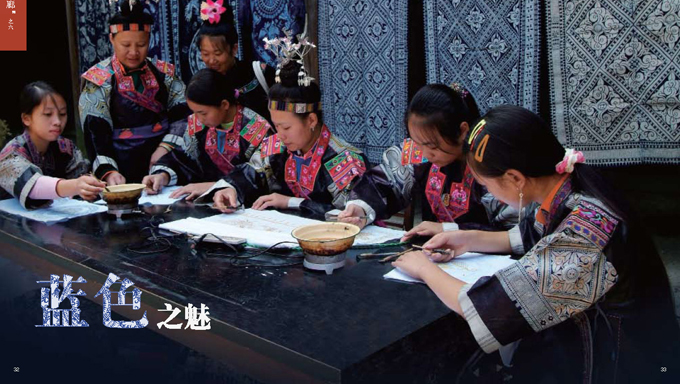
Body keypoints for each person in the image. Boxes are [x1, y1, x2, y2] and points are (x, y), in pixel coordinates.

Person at [392, 105, 679, 382]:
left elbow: (494, 308)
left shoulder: (583, 240)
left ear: (514, 178)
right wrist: (466, 239)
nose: (486, 191)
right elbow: (528, 236)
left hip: (623, 365)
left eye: (486, 184)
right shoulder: (569, 187)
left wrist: (424, 269)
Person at [205, 39, 369, 220]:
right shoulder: (277, 145)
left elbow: (350, 216)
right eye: (276, 126)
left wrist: (291, 202)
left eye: (286, 127)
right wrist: (231, 188)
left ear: (311, 120)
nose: (280, 135)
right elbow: (252, 173)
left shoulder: (344, 160)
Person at [339, 84, 517, 234]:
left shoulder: (491, 165)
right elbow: (383, 182)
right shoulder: (418, 154)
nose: (424, 154)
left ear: (462, 131)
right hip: (431, 254)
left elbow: (515, 232)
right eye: (417, 143)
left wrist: (448, 230)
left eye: (432, 146)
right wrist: (361, 208)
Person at [79, 0, 190, 185]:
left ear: (149, 40)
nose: (133, 52)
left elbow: (184, 116)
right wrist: (108, 171)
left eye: (141, 45)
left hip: (163, 160)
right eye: (126, 45)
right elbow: (95, 132)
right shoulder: (99, 79)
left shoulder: (164, 74)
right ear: (112, 39)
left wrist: (165, 149)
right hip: (119, 164)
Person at [142, 68, 272, 200]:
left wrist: (216, 186)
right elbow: (183, 159)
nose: (198, 118)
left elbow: (261, 173)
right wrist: (163, 176)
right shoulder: (198, 124)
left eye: (203, 113)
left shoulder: (256, 128)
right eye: (194, 112)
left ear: (224, 104)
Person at [0, 82, 105, 208]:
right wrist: (75, 186)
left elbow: (82, 176)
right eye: (48, 114)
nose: (57, 122)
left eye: (62, 114)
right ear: (27, 118)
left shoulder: (65, 148)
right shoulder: (11, 153)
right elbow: (32, 187)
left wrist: (91, 186)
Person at [196, 0, 275, 124]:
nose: (211, 60)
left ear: (234, 49)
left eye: (217, 53)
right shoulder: (203, 85)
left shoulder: (260, 73)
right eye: (205, 54)